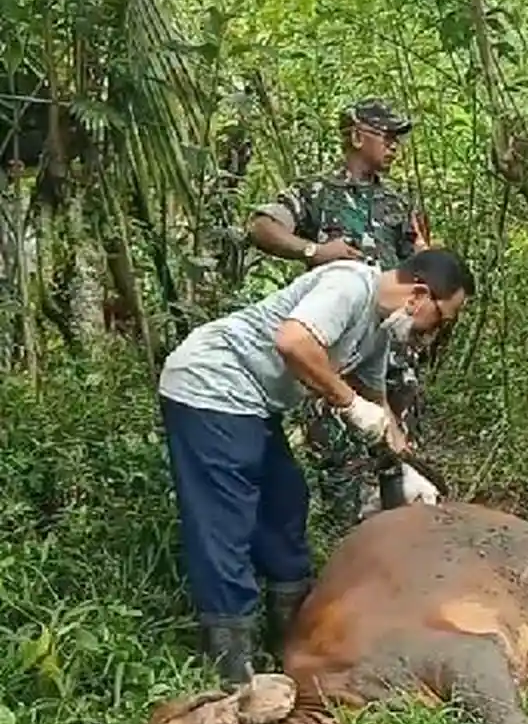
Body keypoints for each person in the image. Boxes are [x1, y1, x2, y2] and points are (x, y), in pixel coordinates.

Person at [157, 249, 474, 688]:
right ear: (418, 295)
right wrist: (347, 403)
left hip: (255, 403)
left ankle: (294, 639)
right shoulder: (349, 285)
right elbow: (294, 342)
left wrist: (406, 465)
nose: (434, 331)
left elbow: (376, 399)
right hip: (211, 385)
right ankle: (232, 665)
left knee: (286, 501)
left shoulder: (377, 331)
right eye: (440, 318)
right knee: (225, 519)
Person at [246, 98, 431, 535]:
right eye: (387, 137)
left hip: (389, 352)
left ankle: (399, 541)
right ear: (356, 136)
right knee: (339, 455)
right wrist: (312, 250)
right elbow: (261, 226)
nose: (395, 148)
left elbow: (419, 270)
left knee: (394, 449)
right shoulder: (315, 193)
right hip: (334, 352)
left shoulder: (397, 203)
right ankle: (344, 549)